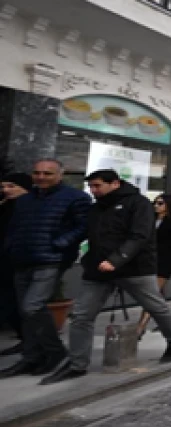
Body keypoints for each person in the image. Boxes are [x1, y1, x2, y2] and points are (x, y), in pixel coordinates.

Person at [42, 170, 171, 384]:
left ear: (115, 184)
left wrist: (116, 260)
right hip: (98, 270)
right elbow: (87, 233)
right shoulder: (96, 208)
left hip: (135, 268)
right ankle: (77, 364)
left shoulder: (138, 203)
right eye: (91, 186)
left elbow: (139, 236)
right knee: (81, 316)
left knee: (156, 307)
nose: (93, 190)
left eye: (97, 185)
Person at [0, 159, 91, 379]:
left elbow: (84, 226)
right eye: (37, 173)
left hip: (51, 259)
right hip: (22, 259)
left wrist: (60, 243)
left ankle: (55, 352)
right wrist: (11, 247)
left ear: (60, 174)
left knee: (32, 306)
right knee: (24, 310)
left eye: (47, 173)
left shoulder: (76, 197)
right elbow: (15, 227)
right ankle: (32, 357)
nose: (41, 177)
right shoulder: (25, 200)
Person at [137, 193, 171, 338]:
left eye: (160, 203)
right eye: (155, 203)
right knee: (157, 294)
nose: (156, 206)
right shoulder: (150, 219)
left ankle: (140, 327)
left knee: (152, 294)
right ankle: (167, 322)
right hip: (149, 260)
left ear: (168, 205)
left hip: (165, 261)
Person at [0, 173, 33, 356]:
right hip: (6, 261)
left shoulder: (30, 207)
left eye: (11, 186)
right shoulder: (6, 206)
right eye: (3, 186)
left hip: (20, 261)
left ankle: (32, 342)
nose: (6, 190)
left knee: (20, 304)